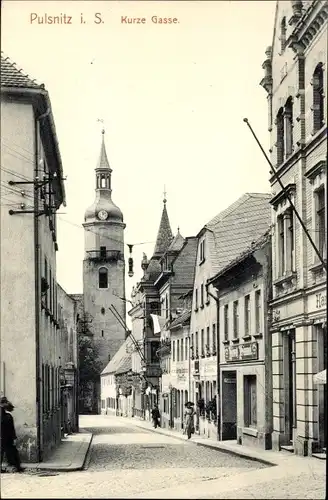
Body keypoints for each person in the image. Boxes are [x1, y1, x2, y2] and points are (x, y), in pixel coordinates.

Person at [0, 397, 24, 473]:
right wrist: (14, 437)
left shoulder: (7, 415)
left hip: (5, 437)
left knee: (9, 451)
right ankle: (17, 466)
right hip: (5, 437)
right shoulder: (7, 416)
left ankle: (17, 466)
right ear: (3, 403)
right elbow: (11, 428)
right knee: (9, 451)